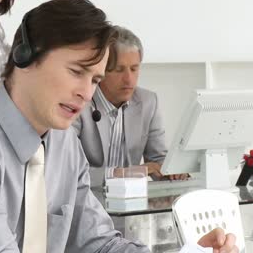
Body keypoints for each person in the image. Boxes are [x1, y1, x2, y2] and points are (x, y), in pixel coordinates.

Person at [0, 0, 238, 253]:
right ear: (25, 58)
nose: (86, 93)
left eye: (95, 79)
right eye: (76, 72)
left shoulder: (63, 144)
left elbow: (97, 243)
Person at [74, 26, 186, 187]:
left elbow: (157, 161)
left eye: (134, 69)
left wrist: (171, 172)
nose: (129, 79)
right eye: (119, 70)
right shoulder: (80, 103)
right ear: (101, 70)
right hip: (83, 201)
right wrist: (125, 174)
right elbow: (68, 171)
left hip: (129, 203)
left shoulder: (148, 102)